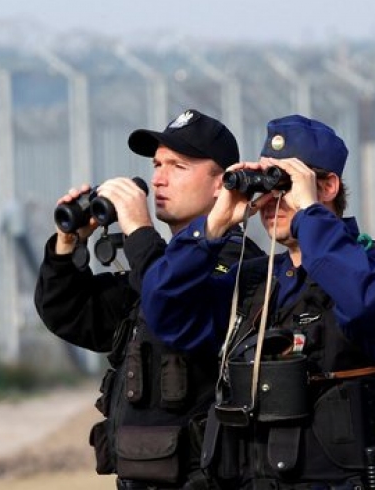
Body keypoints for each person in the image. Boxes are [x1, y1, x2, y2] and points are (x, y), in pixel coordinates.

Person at [140, 114, 375, 490]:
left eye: (284, 184)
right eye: (265, 185)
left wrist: (310, 216)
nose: (272, 200)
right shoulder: (254, 281)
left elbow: (367, 306)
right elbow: (165, 311)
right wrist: (213, 227)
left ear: (328, 186)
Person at [34, 109, 265, 490]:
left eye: (178, 166)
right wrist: (68, 243)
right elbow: (69, 312)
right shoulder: (156, 267)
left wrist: (140, 229)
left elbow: (170, 300)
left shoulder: (240, 267)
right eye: (156, 164)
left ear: (221, 185)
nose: (158, 179)